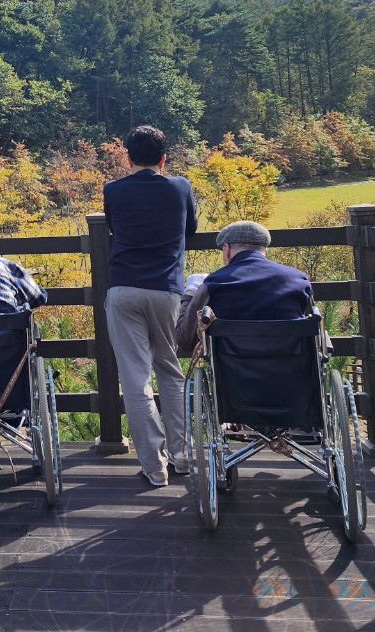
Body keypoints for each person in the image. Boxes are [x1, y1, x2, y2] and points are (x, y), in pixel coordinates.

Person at [102, 124, 199, 488]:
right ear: (163, 158)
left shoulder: (113, 190)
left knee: (136, 378)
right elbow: (189, 228)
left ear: (127, 158)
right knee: (170, 370)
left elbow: (112, 227)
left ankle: (154, 467)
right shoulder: (180, 187)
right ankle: (182, 455)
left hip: (124, 287)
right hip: (166, 289)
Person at [181, 221, 313, 332]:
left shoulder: (214, 283)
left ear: (226, 250)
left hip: (230, 363)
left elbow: (184, 340)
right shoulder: (299, 280)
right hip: (291, 362)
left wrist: (190, 293)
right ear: (265, 252)